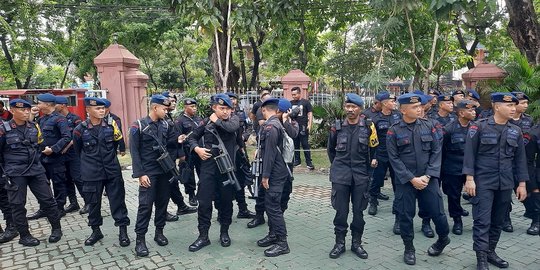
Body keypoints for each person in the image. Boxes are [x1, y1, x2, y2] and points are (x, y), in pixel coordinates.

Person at [462, 92, 528, 270]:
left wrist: (521, 184)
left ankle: (491, 251)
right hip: (483, 181)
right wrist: (469, 179)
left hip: (505, 182)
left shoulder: (516, 130)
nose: (513, 109)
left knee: (498, 220)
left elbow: (520, 160)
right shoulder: (479, 127)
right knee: (482, 221)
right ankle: (481, 258)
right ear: (497, 106)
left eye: (514, 105)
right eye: (509, 106)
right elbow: (469, 155)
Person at [387, 93, 451, 265]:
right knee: (405, 216)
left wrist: (428, 175)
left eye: (420, 106)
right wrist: (411, 178)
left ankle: (443, 239)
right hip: (406, 182)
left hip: (428, 180)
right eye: (415, 107)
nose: (420, 109)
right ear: (403, 110)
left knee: (438, 213)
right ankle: (409, 249)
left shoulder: (429, 126)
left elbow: (437, 152)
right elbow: (394, 159)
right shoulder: (394, 130)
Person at [0, 99, 63, 246]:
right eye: (22, 110)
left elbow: (39, 145)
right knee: (17, 205)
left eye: (28, 110)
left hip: (35, 170)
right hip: (15, 173)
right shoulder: (3, 129)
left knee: (48, 200)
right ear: (13, 110)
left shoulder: (34, 127)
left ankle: (56, 229)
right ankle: (24, 235)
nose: (26, 112)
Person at [73, 97, 130, 247]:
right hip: (91, 173)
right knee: (93, 203)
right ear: (88, 110)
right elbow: (78, 151)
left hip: (112, 171)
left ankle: (123, 231)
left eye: (102, 108)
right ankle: (96, 231)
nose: (101, 111)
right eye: (97, 108)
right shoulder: (79, 130)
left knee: (118, 201)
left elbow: (118, 142)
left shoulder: (111, 126)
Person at [327, 94, 378, 259]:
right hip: (340, 176)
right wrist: (338, 167)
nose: (350, 110)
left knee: (358, 212)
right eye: (347, 106)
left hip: (360, 176)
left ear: (360, 108)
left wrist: (369, 172)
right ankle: (339, 243)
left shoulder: (369, 127)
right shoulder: (337, 127)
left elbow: (374, 150)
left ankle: (357, 243)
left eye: (354, 107)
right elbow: (331, 151)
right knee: (341, 212)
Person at [187, 94, 240, 252]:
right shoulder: (205, 122)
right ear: (214, 108)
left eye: (227, 109)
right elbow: (192, 138)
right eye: (221, 108)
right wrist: (197, 149)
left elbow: (230, 128)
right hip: (209, 167)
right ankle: (203, 236)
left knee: (225, 202)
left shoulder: (234, 119)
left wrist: (216, 119)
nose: (225, 112)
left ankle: (224, 232)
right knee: (203, 202)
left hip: (226, 168)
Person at [130, 94, 179, 257]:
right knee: (145, 207)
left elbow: (171, 145)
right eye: (164, 109)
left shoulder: (165, 125)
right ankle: (140, 240)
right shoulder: (138, 125)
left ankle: (159, 232)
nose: (166, 111)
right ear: (154, 107)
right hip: (148, 173)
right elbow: (134, 152)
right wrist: (140, 174)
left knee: (162, 204)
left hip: (164, 172)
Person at [253, 98, 299, 247]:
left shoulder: (272, 126)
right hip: (279, 171)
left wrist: (265, 176)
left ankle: (282, 242)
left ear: (264, 110)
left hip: (276, 173)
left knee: (274, 207)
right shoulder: (274, 124)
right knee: (271, 205)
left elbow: (270, 154)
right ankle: (272, 235)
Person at [27, 93, 71, 220]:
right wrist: (32, 114)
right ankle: (44, 208)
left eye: (39, 103)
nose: (38, 105)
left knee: (58, 183)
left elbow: (67, 137)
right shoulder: (42, 119)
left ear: (47, 104)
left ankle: (59, 208)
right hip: (42, 158)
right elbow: (29, 127)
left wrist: (53, 149)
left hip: (55, 158)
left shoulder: (60, 119)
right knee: (42, 185)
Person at [441, 100, 477, 235]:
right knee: (453, 196)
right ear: (461, 113)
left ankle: (478, 221)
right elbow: (442, 150)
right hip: (453, 167)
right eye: (470, 110)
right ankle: (457, 220)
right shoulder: (449, 129)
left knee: (476, 195)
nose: (474, 112)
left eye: (474, 110)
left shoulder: (476, 128)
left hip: (472, 168)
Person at [502, 91, 535, 233]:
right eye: (522, 103)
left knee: (528, 193)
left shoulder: (529, 120)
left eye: (526, 103)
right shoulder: (504, 119)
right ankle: (506, 220)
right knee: (504, 195)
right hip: (506, 162)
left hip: (523, 162)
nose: (525, 105)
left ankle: (534, 217)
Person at [162, 92, 196, 222]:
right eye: (171, 100)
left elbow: (174, 138)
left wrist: (180, 153)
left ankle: (181, 206)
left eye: (175, 100)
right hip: (163, 157)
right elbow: (165, 140)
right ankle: (164, 211)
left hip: (171, 156)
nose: (173, 102)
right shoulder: (162, 119)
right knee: (165, 184)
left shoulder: (169, 117)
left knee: (172, 181)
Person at [368, 91, 400, 216]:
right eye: (392, 101)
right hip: (381, 154)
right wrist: (373, 157)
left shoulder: (398, 116)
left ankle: (397, 205)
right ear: (385, 103)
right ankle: (373, 202)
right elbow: (372, 140)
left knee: (397, 181)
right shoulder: (375, 119)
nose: (394, 103)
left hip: (396, 155)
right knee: (376, 180)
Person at [226, 92, 256, 219]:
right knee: (226, 183)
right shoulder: (220, 118)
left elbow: (248, 127)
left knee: (241, 180)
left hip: (239, 152)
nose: (233, 101)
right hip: (226, 155)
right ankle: (225, 212)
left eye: (234, 99)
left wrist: (244, 137)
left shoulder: (240, 113)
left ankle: (242, 209)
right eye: (230, 99)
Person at [55, 96, 84, 214]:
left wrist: (66, 147)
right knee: (67, 179)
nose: (54, 106)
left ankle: (89, 203)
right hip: (62, 156)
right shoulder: (56, 119)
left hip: (74, 154)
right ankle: (73, 203)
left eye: (55, 104)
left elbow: (77, 136)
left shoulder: (75, 118)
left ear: (62, 105)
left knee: (78, 178)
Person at [175, 98, 204, 207]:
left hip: (200, 150)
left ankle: (201, 193)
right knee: (189, 174)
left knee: (203, 172)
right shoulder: (179, 121)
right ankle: (191, 195)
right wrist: (181, 154)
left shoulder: (199, 119)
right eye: (191, 107)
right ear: (185, 108)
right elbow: (178, 139)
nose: (194, 108)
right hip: (188, 152)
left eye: (195, 106)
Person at [289, 87, 314, 170]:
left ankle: (309, 162)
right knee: (295, 144)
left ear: (299, 93)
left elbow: (310, 113)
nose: (293, 96)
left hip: (303, 126)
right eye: (292, 95)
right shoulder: (290, 103)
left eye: (295, 94)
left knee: (305, 144)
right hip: (293, 127)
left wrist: (310, 124)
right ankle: (297, 160)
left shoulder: (305, 102)